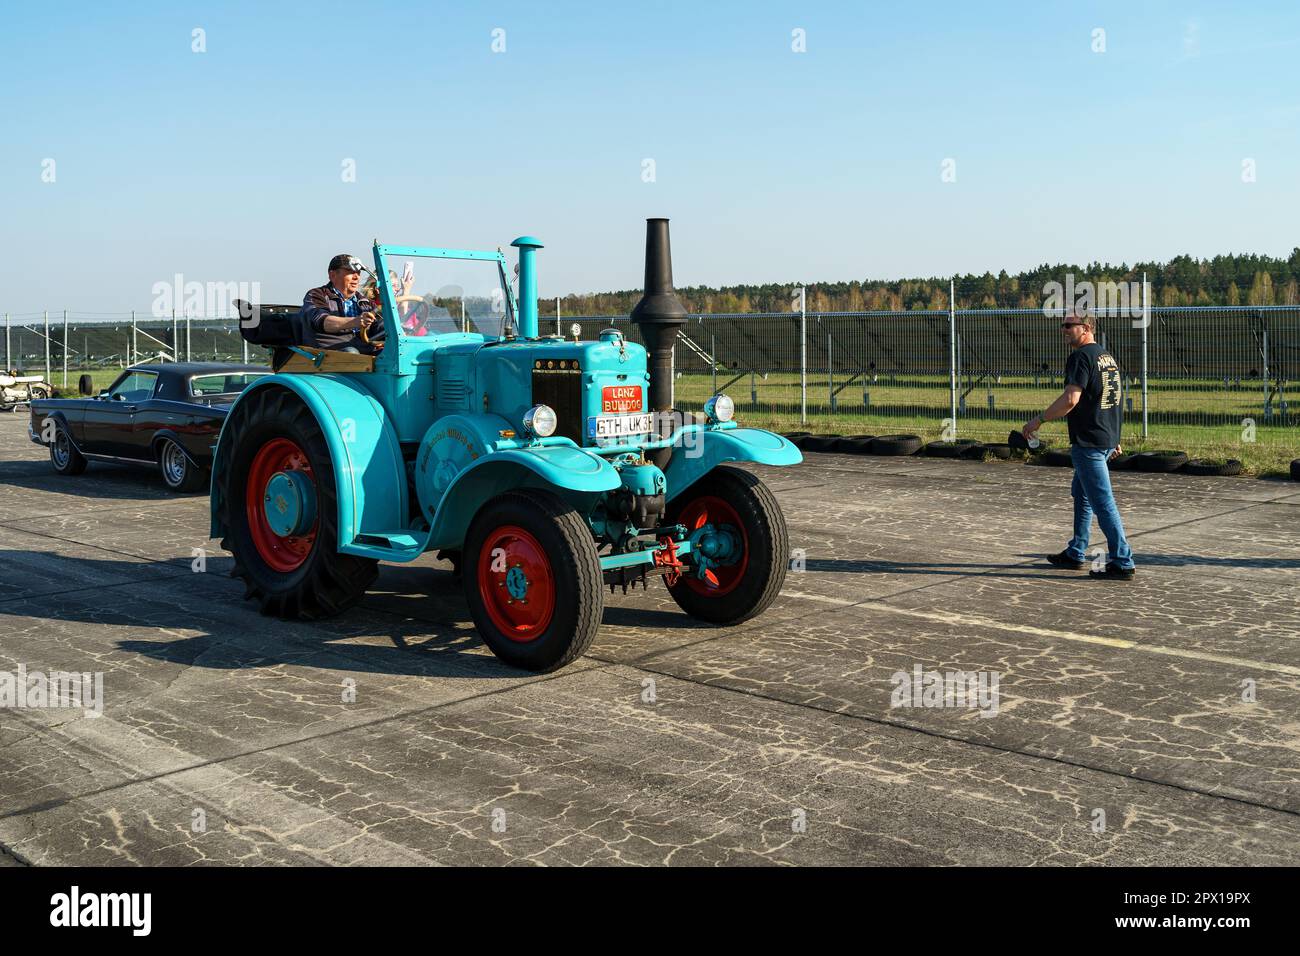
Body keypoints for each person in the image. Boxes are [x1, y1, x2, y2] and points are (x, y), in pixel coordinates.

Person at [1022, 311, 1136, 580]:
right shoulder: (1106, 357)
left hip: (1089, 443)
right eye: (1062, 325)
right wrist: (1113, 438)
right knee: (1082, 495)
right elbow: (1112, 398)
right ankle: (1076, 552)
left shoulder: (1080, 357)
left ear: (1085, 327)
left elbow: (1071, 399)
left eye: (1068, 325)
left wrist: (1038, 420)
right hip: (1103, 439)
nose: (1063, 330)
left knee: (1102, 503)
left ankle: (1123, 561)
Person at [300, 254, 385, 354]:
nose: (356, 277)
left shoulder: (365, 303)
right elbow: (322, 321)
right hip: (328, 356)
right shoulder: (317, 295)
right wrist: (357, 321)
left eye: (358, 273)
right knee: (351, 353)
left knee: (395, 354)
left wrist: (399, 329)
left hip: (364, 353)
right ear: (333, 275)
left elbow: (379, 327)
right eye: (350, 272)